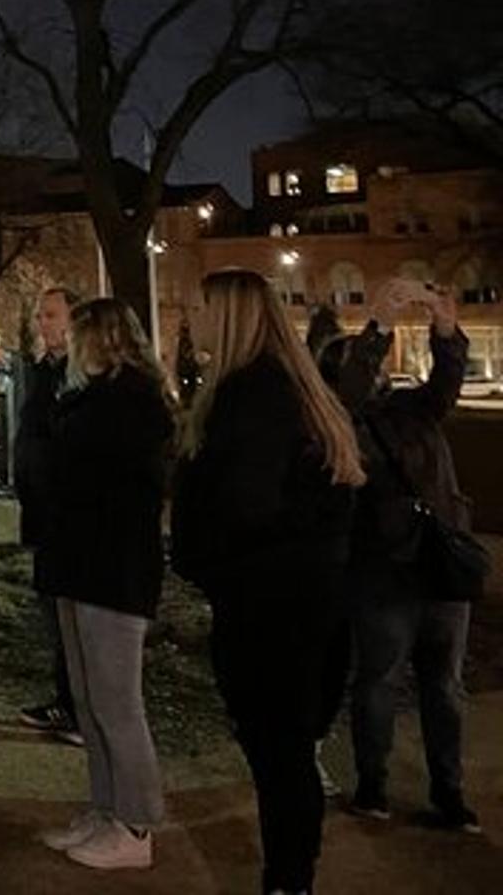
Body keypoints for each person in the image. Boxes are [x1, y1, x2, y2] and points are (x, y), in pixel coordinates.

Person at [172, 269, 364, 895]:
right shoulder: (290, 390)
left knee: (278, 754)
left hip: (268, 607)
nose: (189, 315)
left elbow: (242, 509)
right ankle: (293, 871)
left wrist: (199, 558)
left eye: (199, 305)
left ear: (229, 316)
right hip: (309, 601)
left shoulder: (248, 397)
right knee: (288, 750)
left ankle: (288, 878)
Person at [322, 288, 480, 834]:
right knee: (379, 680)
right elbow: (351, 390)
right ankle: (373, 786)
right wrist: (380, 326)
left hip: (438, 564)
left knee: (444, 686)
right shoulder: (345, 420)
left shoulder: (415, 408)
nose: (375, 367)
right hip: (386, 569)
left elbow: (446, 383)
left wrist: (444, 325)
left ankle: (450, 793)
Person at [34, 299, 174, 872]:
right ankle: (106, 805)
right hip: (79, 564)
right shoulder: (90, 403)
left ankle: (136, 822)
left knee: (117, 703)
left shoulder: (131, 407)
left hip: (111, 571)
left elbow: (80, 471)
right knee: (90, 702)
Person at [14, 287, 80, 742]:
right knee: (55, 615)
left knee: (73, 619)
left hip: (67, 515)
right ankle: (66, 699)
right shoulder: (44, 373)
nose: (43, 323)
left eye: (52, 315)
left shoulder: (77, 378)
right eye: (40, 315)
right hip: (45, 515)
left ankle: (78, 707)